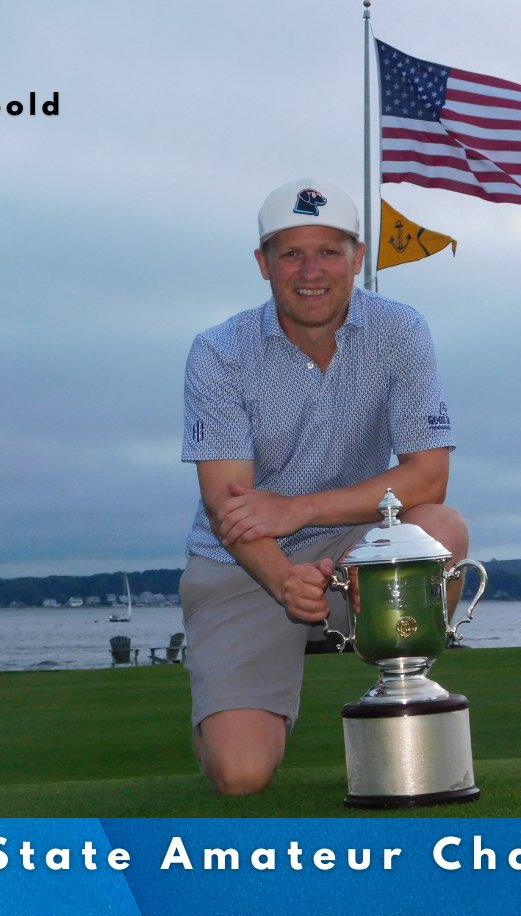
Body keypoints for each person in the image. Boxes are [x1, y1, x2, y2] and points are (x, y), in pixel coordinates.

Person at [179, 176, 469, 795]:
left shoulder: (401, 331)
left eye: (330, 251)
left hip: (354, 550)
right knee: (241, 774)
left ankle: (397, 680)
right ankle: (222, 701)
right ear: (264, 264)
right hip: (242, 565)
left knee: (440, 532)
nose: (311, 270)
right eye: (291, 252)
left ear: (358, 258)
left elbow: (430, 476)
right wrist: (286, 581)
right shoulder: (218, 351)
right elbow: (224, 503)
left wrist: (298, 510)